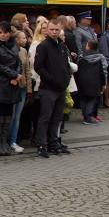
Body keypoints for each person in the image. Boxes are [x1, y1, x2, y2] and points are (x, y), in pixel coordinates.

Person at [33, 19, 71, 158]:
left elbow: (66, 64)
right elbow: (38, 67)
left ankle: (54, 143)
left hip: (61, 88)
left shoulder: (61, 45)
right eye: (52, 29)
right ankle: (42, 145)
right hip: (48, 88)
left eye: (57, 30)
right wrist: (51, 79)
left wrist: (67, 76)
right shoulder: (43, 46)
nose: (54, 32)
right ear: (47, 30)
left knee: (57, 117)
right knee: (45, 118)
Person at [0, 22, 23, 156]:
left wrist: (18, 75)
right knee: (0, 115)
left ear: (10, 33)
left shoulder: (14, 45)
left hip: (12, 83)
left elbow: (18, 62)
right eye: (1, 32)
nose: (3, 35)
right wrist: (14, 75)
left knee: (8, 115)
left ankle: (4, 142)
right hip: (0, 82)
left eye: (6, 32)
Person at [76, 38, 108, 124]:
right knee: (92, 99)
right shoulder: (100, 57)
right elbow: (103, 71)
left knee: (84, 99)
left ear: (88, 46)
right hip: (95, 81)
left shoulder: (81, 57)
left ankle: (85, 115)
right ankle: (89, 117)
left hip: (83, 81)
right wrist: (104, 83)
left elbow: (78, 70)